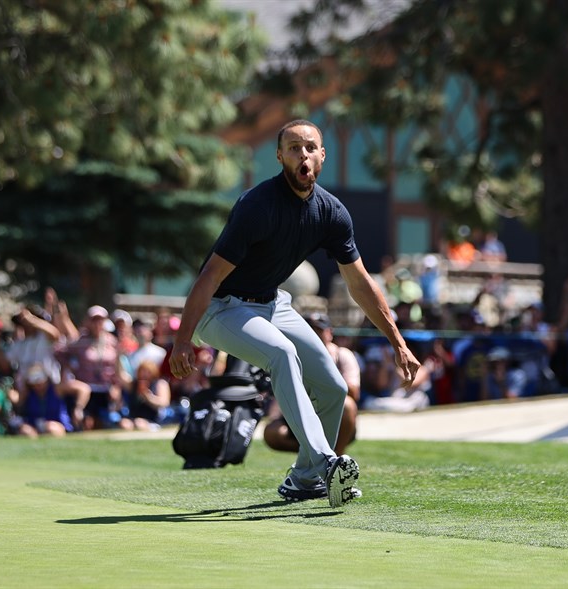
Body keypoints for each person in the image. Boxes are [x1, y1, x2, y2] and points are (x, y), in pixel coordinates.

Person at [168, 119, 420, 508]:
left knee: (333, 388)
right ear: (280, 156)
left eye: (309, 147)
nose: (302, 155)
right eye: (293, 148)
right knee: (282, 354)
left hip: (271, 303)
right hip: (219, 307)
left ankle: (303, 480)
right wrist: (183, 339)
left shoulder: (331, 212)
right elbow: (209, 277)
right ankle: (326, 463)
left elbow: (360, 284)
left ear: (322, 155)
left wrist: (398, 342)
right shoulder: (257, 205)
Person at [263, 312, 361, 455]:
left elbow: (354, 392)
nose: (314, 335)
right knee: (272, 432)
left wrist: (325, 381)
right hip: (302, 413)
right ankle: (312, 454)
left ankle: (337, 455)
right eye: (310, 330)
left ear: (329, 333)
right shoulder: (292, 354)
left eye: (318, 330)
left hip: (333, 413)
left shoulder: (342, 354)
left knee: (347, 404)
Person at [119, 359, 171, 431]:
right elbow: (121, 375)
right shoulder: (135, 385)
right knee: (124, 423)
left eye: (147, 371)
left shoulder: (160, 383)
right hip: (134, 419)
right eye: (142, 371)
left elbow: (164, 402)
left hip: (154, 419)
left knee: (139, 423)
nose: (144, 374)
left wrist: (148, 397)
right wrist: (118, 356)